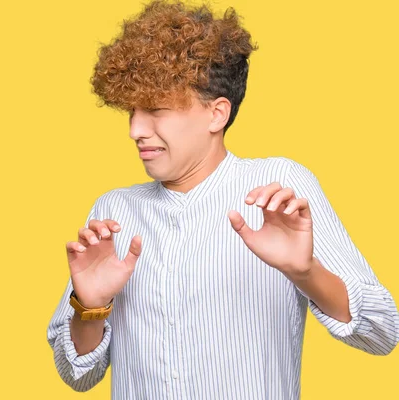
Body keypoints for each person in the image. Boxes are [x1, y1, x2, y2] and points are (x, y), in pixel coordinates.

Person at [46, 1, 399, 398]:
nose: (135, 130)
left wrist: (305, 273)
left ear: (216, 114)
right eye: (131, 110)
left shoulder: (278, 189)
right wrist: (90, 307)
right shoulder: (114, 212)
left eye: (156, 110)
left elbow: (381, 332)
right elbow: (76, 375)